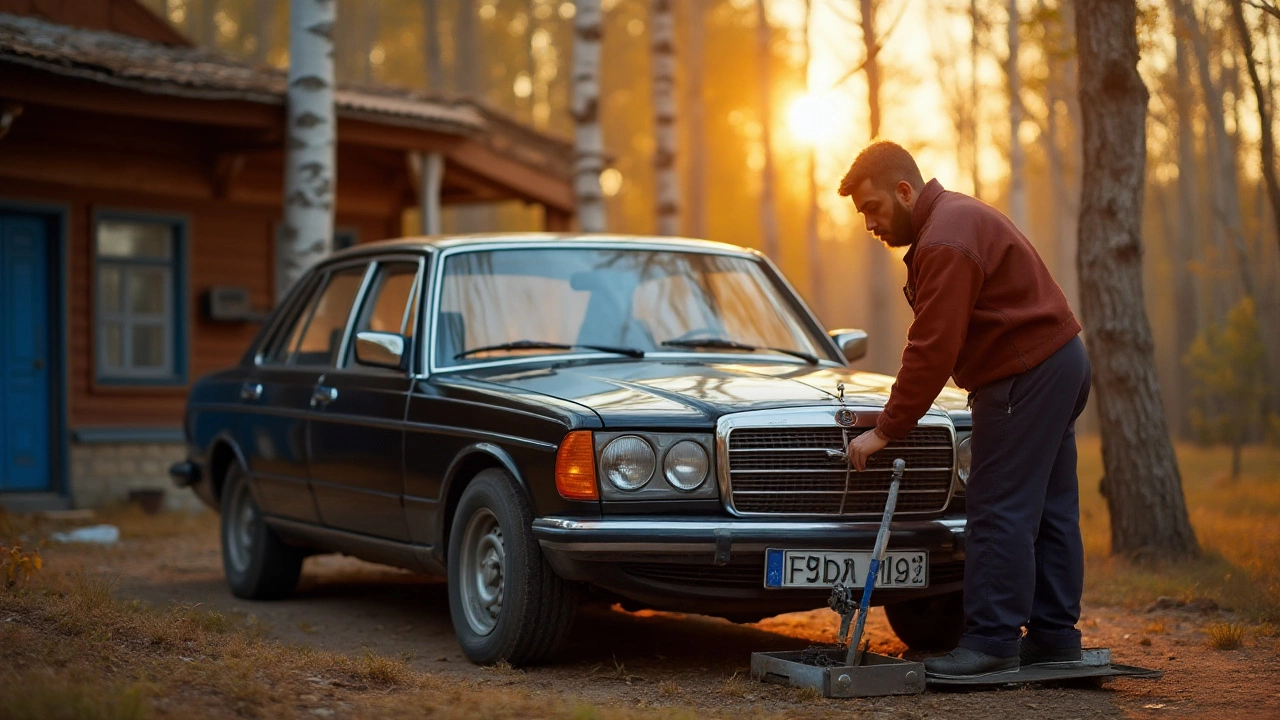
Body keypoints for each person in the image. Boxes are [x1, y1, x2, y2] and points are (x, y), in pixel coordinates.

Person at [838, 141, 1092, 678]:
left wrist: (885, 430)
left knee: (998, 506)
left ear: (904, 191)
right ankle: (1054, 637)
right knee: (1048, 509)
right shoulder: (956, 218)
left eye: (872, 208)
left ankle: (991, 642)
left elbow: (933, 348)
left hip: (1024, 373)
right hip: (1060, 362)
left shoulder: (946, 239)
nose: (869, 225)